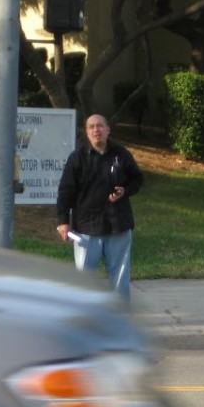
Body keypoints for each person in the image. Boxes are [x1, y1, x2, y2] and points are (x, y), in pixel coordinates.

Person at [55, 114, 143, 299]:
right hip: (86, 228)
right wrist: (63, 221)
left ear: (108, 130)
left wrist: (124, 191)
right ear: (87, 132)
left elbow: (137, 179)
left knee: (119, 276)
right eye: (92, 127)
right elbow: (65, 191)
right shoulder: (77, 158)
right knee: (85, 279)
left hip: (118, 224)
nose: (97, 130)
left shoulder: (121, 154)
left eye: (100, 126)